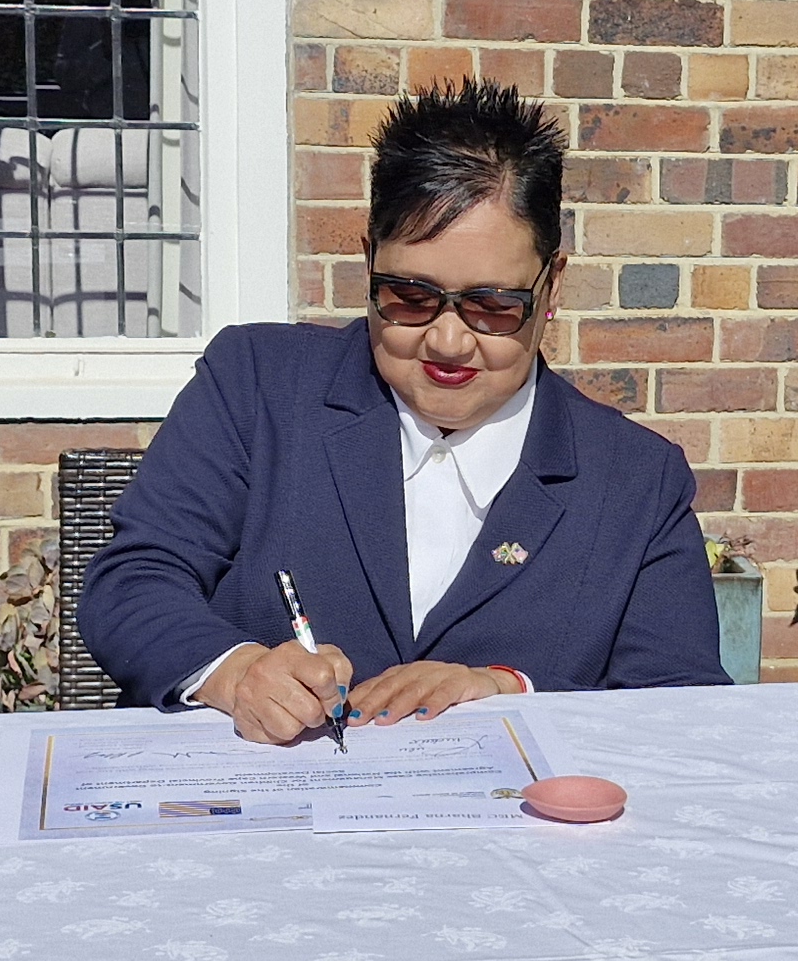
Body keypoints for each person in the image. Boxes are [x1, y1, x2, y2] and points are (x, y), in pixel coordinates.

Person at [79, 80, 724, 739]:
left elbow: (680, 708)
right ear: (368, 262)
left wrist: (513, 689)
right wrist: (238, 674)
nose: (447, 341)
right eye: (410, 297)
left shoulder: (635, 480)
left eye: (493, 306)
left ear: (551, 285)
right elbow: (133, 581)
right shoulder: (258, 387)